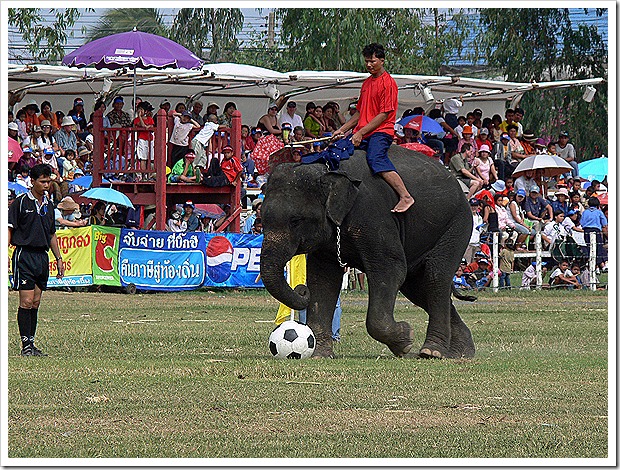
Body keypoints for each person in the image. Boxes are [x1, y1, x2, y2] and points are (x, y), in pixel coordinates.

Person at [333, 43, 414, 213]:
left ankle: (405, 196)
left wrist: (360, 133)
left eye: (372, 61)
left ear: (382, 60)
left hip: (380, 131)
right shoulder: (367, 83)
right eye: (366, 61)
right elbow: (359, 113)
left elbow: (384, 114)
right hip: (362, 131)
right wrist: (342, 130)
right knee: (337, 150)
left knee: (375, 159)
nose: (369, 65)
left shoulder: (388, 83)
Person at [9, 164, 65, 356]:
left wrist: (58, 258)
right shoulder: (20, 203)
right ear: (32, 182)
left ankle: (32, 344)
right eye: (42, 181)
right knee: (26, 301)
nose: (46, 184)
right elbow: (9, 230)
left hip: (42, 256)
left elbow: (52, 234)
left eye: (48, 181)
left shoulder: (49, 205)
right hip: (24, 255)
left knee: (36, 302)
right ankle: (25, 346)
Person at [579, 197, 608, 270]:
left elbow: (582, 223)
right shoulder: (599, 212)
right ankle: (600, 264)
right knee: (599, 247)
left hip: (587, 231)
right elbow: (604, 223)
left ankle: (595, 266)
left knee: (589, 247)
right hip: (596, 230)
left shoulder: (585, 212)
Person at [133, 101, 155, 180]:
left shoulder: (150, 119)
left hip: (150, 140)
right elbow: (142, 125)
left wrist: (148, 126)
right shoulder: (136, 120)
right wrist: (139, 117)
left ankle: (149, 175)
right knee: (143, 158)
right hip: (142, 139)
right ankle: (143, 176)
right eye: (139, 109)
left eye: (142, 109)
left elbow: (151, 126)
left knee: (150, 158)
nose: (140, 111)